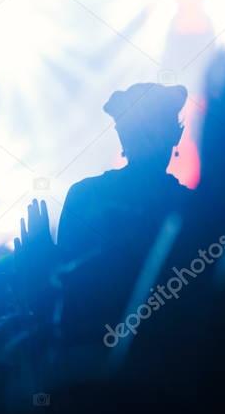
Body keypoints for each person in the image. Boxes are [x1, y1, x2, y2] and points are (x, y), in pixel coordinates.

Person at [56, 83, 191, 348]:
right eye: (145, 129)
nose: (150, 137)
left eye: (156, 127)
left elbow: (62, 289)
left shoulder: (85, 196)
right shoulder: (190, 205)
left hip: (90, 356)